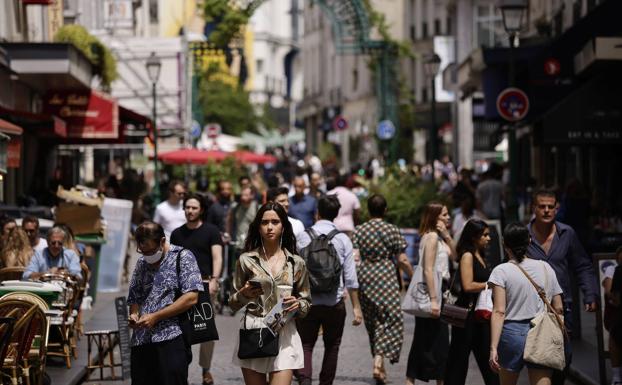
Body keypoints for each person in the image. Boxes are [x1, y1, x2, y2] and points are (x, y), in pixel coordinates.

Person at [229, 202, 311, 385]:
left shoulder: (296, 263)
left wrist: (299, 304)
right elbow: (232, 303)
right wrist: (245, 294)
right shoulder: (246, 260)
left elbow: (307, 303)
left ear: (283, 226)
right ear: (258, 227)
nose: (270, 227)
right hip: (254, 330)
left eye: (275, 222)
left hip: (284, 331)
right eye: (265, 222)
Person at [527, 188, 598, 385]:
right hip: (532, 309)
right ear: (534, 208)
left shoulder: (567, 233)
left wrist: (590, 295)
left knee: (564, 358)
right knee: (538, 360)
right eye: (542, 206)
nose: (547, 210)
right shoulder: (523, 236)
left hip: (562, 309)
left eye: (551, 207)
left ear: (557, 209)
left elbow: (582, 265)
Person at [294, 195, 363, 385]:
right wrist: (356, 308)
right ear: (336, 214)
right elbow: (350, 278)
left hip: (308, 301)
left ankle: (305, 381)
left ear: (317, 212)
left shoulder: (303, 236)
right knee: (332, 346)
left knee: (305, 345)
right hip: (334, 302)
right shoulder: (343, 239)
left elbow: (295, 270)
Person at [128, 221, 203, 385]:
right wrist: (134, 314)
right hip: (142, 340)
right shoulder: (142, 262)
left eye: (151, 251)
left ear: (162, 241)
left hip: (172, 336)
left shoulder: (183, 256)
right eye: (143, 251)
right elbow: (135, 295)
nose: (147, 256)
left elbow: (191, 297)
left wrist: (156, 317)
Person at [488, 222, 564, 385]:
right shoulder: (546, 267)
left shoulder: (501, 271)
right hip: (541, 331)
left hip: (511, 334)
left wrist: (493, 347)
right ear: (529, 241)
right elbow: (558, 307)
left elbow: (499, 311)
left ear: (504, 243)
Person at [353, 194, 414, 384]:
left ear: (368, 210)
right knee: (392, 319)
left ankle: (379, 365)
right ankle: (379, 361)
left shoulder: (359, 230)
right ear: (385, 210)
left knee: (373, 322)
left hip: (365, 278)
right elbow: (402, 259)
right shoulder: (392, 229)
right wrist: (413, 276)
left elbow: (355, 257)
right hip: (386, 278)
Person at [170, 194, 223, 385]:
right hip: (182, 287)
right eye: (187, 207)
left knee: (206, 330)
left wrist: (215, 279)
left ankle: (206, 370)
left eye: (194, 208)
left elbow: (217, 257)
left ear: (201, 210)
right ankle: (182, 366)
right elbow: (172, 261)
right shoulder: (176, 234)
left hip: (205, 283)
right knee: (182, 329)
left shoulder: (211, 231)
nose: (190, 211)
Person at [444, 219, 499, 385]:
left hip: (480, 316)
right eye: (485, 235)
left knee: (487, 361)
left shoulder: (480, 254)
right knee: (458, 363)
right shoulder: (468, 256)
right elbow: (467, 286)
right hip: (465, 317)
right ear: (474, 237)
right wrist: (490, 284)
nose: (488, 238)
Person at [406, 202, 455, 385]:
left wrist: (447, 236)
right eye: (444, 215)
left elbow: (455, 257)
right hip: (433, 291)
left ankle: (411, 380)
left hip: (438, 289)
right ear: (434, 217)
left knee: (426, 341)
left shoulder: (438, 237)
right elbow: (427, 269)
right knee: (438, 343)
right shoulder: (432, 237)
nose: (448, 217)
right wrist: (435, 300)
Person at [603, 247, 622, 385]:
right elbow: (610, 293)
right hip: (617, 311)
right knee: (615, 336)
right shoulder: (614, 270)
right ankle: (617, 376)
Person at [228, 186, 260, 255]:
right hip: (239, 245)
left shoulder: (257, 207)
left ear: (252, 195)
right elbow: (229, 220)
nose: (243, 197)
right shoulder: (235, 207)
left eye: (246, 195)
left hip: (253, 246)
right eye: (242, 195)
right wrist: (228, 234)